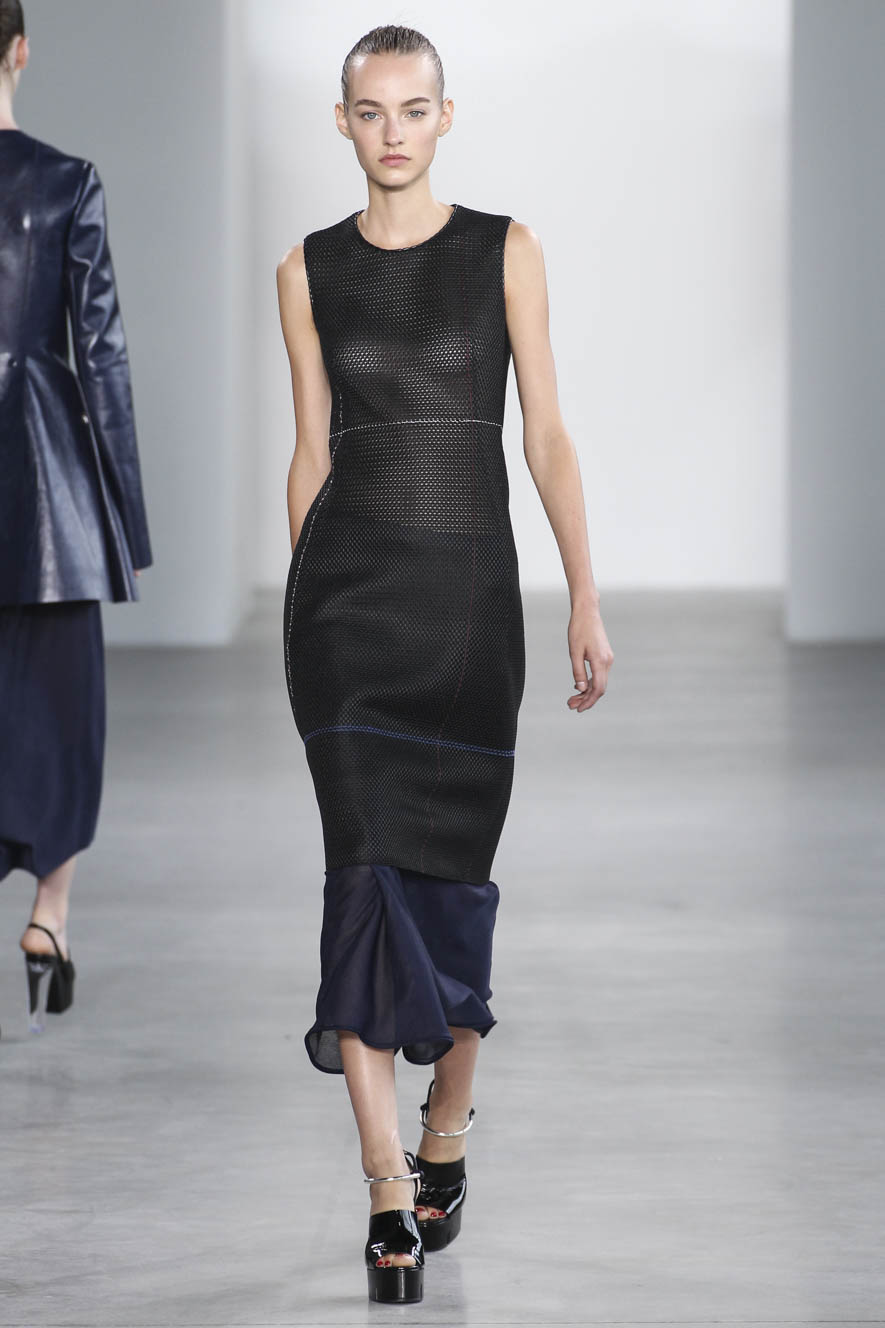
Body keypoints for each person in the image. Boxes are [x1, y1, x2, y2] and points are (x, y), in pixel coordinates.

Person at [276, 24, 613, 1304]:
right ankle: (385, 1188)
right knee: (362, 877)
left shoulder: (504, 251)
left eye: (414, 108)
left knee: (454, 889)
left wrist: (584, 594)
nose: (394, 131)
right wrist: (301, 603)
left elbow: (548, 437)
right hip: (347, 618)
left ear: (446, 116)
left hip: (470, 612)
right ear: (344, 122)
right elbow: (312, 450)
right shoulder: (306, 270)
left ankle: (446, 1129)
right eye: (372, 110)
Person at [0, 2, 153, 1034]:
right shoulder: (65, 182)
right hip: (47, 485)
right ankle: (49, 916)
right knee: (62, 708)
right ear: (19, 50)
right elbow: (101, 358)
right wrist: (125, 520)